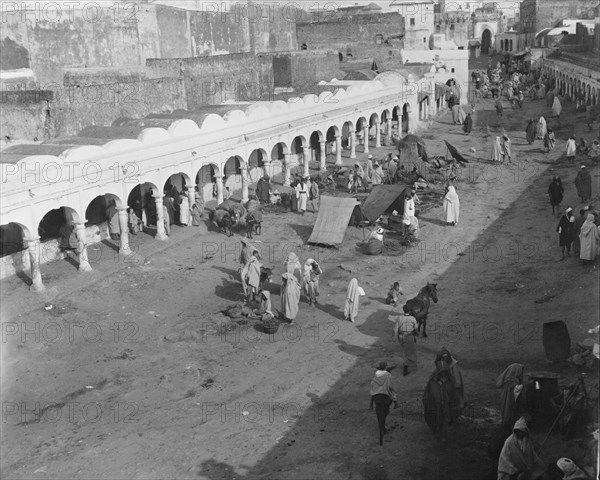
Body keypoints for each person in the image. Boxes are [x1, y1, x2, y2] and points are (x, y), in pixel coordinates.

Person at [496, 363, 525, 431]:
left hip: (506, 402)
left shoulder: (506, 380)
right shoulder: (512, 382)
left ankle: (506, 424)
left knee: (506, 411)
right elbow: (517, 393)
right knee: (510, 413)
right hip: (511, 403)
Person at [392, 306, 418, 375]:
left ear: (403, 310)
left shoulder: (399, 318)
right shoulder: (413, 318)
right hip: (409, 336)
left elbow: (395, 329)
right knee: (409, 352)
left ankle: (407, 364)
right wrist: (416, 334)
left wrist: (394, 337)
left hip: (401, 336)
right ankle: (406, 367)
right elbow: (416, 329)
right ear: (409, 311)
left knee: (404, 350)